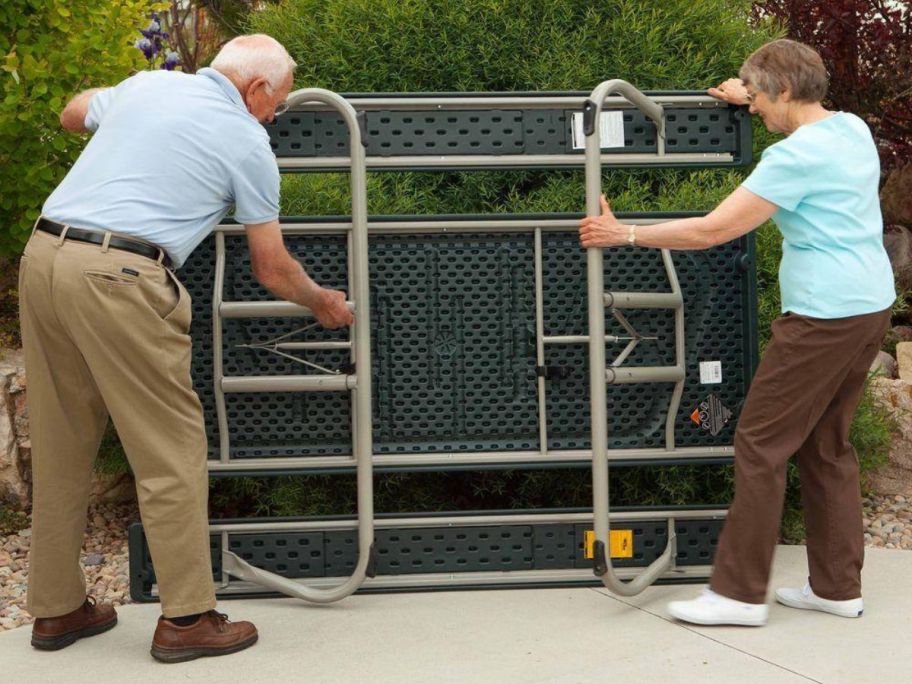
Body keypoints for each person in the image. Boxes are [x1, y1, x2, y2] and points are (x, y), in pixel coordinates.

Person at [20, 34, 352, 661]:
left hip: (44, 257)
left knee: (61, 440)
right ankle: (187, 619)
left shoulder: (151, 85)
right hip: (120, 277)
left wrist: (118, 109)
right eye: (275, 103)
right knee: (170, 449)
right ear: (256, 90)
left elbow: (70, 113)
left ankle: (57, 610)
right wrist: (324, 304)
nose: (275, 116)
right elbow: (272, 267)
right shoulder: (248, 140)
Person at [579, 39, 895, 626]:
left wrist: (623, 235)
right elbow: (786, 110)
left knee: (759, 444)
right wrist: (747, 91)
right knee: (827, 445)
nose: (752, 110)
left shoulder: (792, 159)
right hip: (868, 305)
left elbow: (710, 231)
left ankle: (738, 594)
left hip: (822, 318)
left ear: (782, 90)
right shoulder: (851, 129)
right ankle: (835, 587)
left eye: (758, 98)